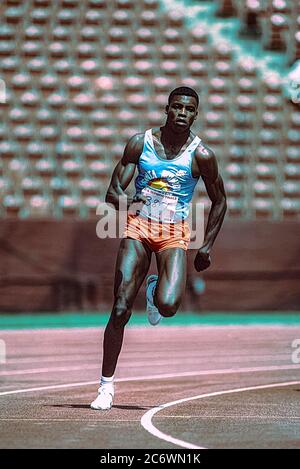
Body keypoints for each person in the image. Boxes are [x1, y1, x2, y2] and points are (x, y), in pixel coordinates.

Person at [91, 86, 227, 410]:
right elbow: (112, 193)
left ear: (196, 114)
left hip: (174, 232)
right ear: (167, 109)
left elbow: (220, 201)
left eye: (189, 109)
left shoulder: (201, 155)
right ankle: (105, 387)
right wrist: (129, 202)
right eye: (177, 107)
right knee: (121, 306)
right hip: (139, 225)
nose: (182, 113)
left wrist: (206, 246)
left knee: (168, 306)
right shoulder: (141, 144)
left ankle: (154, 291)